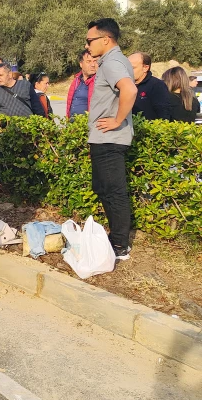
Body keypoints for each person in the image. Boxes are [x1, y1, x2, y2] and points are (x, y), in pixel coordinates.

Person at [84, 18, 137, 260]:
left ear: (106, 39)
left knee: (113, 192)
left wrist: (117, 120)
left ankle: (120, 245)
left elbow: (130, 89)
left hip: (109, 138)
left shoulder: (112, 62)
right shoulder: (114, 61)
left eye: (90, 41)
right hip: (105, 138)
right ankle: (116, 238)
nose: (87, 46)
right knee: (104, 188)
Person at [128, 52, 171, 121]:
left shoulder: (157, 85)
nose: (128, 70)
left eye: (132, 68)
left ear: (145, 68)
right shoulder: (124, 85)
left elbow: (163, 114)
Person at [66, 50, 98, 118]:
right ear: (81, 64)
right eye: (88, 61)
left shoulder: (100, 81)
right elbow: (70, 103)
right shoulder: (76, 80)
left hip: (87, 123)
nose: (93, 65)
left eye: (95, 61)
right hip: (72, 123)